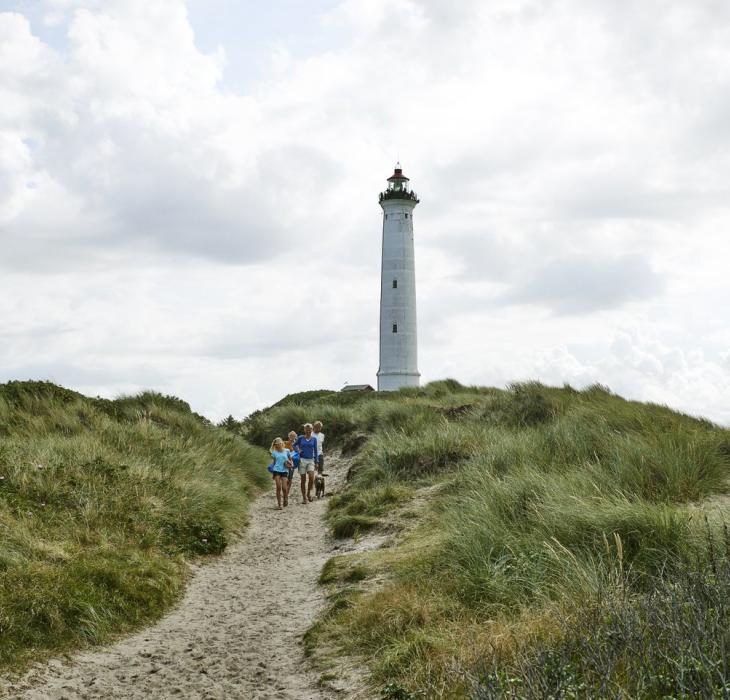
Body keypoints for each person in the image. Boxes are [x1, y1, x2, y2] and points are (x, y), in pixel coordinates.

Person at [294, 423, 318, 503]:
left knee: (311, 477)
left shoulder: (314, 439)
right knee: (303, 479)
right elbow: (294, 445)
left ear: (312, 430)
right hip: (302, 460)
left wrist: (317, 461)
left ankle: (308, 494)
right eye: (306, 429)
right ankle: (304, 497)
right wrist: (298, 450)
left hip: (311, 460)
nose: (308, 430)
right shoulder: (300, 438)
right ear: (304, 430)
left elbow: (316, 450)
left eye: (310, 429)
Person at [269, 437, 293, 509]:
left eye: (279, 443)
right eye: (276, 444)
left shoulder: (287, 451)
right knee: (278, 487)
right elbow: (274, 462)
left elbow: (291, 460)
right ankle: (279, 504)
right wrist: (272, 471)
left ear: (282, 443)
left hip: (285, 470)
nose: (278, 445)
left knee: (284, 488)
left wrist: (291, 464)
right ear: (275, 445)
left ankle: (285, 498)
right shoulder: (274, 453)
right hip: (276, 470)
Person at [284, 430, 300, 498]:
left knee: (290, 479)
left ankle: (286, 494)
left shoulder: (297, 445)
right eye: (291, 436)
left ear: (295, 437)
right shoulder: (284, 443)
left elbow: (298, 453)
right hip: (284, 464)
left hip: (292, 464)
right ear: (288, 436)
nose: (292, 437)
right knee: (284, 478)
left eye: (293, 436)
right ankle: (284, 492)